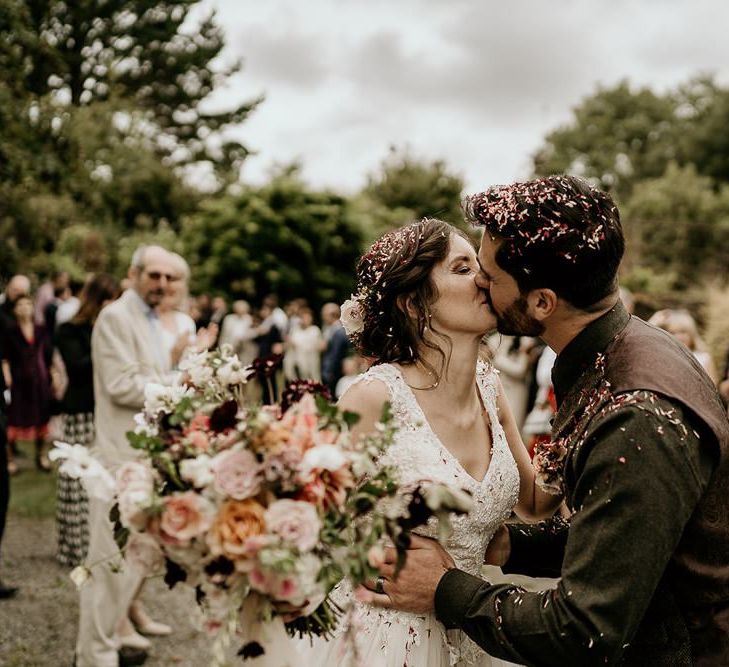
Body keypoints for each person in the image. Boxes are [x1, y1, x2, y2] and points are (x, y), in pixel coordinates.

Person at [361, 176, 729, 665]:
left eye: (488, 275)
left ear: (541, 302)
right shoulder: (627, 351)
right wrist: (512, 544)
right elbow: (618, 534)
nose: (480, 285)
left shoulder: (636, 414)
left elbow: (583, 629)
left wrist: (447, 589)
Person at [301, 218, 561, 666]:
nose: (483, 278)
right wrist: (364, 554)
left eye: (479, 267)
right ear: (413, 303)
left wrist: (589, 420)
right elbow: (305, 517)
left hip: (471, 629)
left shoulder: (489, 387)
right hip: (387, 634)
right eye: (462, 268)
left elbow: (535, 502)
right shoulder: (374, 397)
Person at [75, 246, 178, 667]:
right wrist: (181, 386)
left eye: (169, 278)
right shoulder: (116, 316)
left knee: (133, 564)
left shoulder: (149, 319)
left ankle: (108, 645)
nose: (162, 284)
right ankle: (92, 657)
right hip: (117, 459)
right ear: (133, 274)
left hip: (144, 457)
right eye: (154, 275)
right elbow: (121, 385)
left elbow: (151, 377)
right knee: (107, 566)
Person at [55, 274, 120, 568]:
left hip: (106, 411)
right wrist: (101, 342)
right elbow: (77, 369)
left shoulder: (115, 331)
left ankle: (103, 545)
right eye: (107, 300)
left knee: (105, 478)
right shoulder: (71, 330)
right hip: (81, 409)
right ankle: (75, 547)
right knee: (76, 479)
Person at [2, 295, 53, 473]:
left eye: (27, 304)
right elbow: (5, 357)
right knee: (14, 419)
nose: (24, 308)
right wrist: (7, 375)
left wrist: (52, 375)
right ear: (15, 310)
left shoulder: (41, 330)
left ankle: (41, 456)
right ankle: (9, 460)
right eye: (20, 305)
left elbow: (48, 355)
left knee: (42, 418)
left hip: (39, 380)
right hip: (18, 380)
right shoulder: (10, 331)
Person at [320, 302, 350, 395]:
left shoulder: (339, 332)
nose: (323, 318)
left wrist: (329, 372)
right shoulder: (332, 329)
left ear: (332, 315)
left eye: (324, 315)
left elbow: (335, 355)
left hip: (333, 373)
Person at [287, 306, 323, 380]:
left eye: (307, 317)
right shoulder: (295, 330)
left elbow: (317, 346)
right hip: (296, 363)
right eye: (303, 318)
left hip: (311, 362)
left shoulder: (315, 330)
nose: (305, 320)